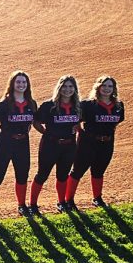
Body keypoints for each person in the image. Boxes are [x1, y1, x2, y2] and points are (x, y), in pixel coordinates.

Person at [0, 71, 36, 218]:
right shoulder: (4, 104)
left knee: (22, 175)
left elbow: (30, 123)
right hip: (5, 143)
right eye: (18, 82)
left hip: (22, 143)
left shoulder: (31, 103)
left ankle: (22, 205)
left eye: (24, 82)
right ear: (12, 84)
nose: (21, 85)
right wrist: (1, 137)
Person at [66, 75, 126, 208]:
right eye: (104, 85)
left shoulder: (119, 106)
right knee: (78, 171)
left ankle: (97, 198)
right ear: (98, 87)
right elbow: (76, 120)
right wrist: (82, 134)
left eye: (110, 86)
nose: (106, 89)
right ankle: (68, 200)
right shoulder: (88, 105)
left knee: (99, 171)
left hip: (107, 143)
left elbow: (117, 122)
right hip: (87, 143)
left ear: (114, 89)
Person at [31, 74, 82, 214]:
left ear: (75, 89)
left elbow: (79, 122)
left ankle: (61, 202)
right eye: (64, 86)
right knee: (42, 174)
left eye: (71, 86)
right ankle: (33, 205)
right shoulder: (49, 106)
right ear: (59, 88)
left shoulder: (78, 106)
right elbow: (35, 121)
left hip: (69, 146)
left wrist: (76, 128)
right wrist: (45, 133)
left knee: (63, 175)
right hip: (50, 145)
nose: (67, 89)